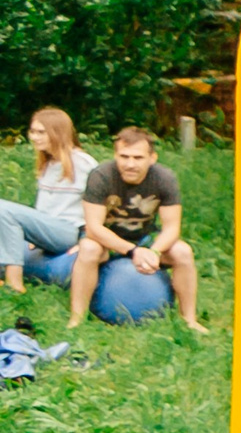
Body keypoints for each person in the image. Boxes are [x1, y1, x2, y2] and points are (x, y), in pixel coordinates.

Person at [73, 127, 206, 331]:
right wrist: (132, 251)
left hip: (144, 238)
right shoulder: (101, 176)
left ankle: (189, 320)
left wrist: (154, 252)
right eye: (124, 156)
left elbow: (172, 227)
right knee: (89, 248)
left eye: (138, 157)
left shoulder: (164, 178)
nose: (130, 164)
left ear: (152, 158)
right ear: (115, 155)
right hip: (105, 241)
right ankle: (77, 318)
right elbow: (93, 228)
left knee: (183, 252)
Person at [3, 108, 97, 296]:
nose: (34, 137)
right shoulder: (48, 163)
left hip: (69, 231)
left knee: (2, 209)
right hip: (49, 230)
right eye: (33, 131)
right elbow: (44, 208)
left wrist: (86, 239)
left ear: (57, 133)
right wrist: (35, 234)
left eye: (41, 132)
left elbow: (101, 206)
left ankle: (14, 284)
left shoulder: (83, 163)